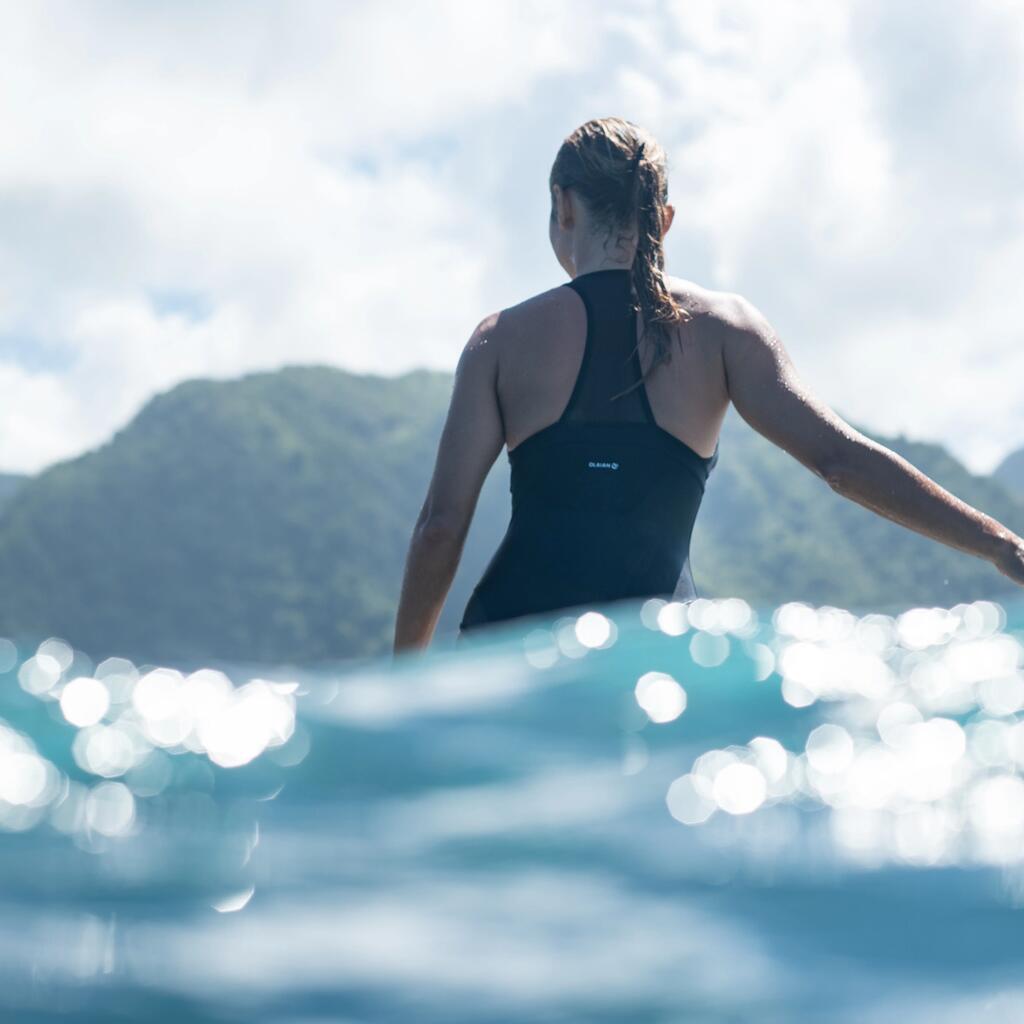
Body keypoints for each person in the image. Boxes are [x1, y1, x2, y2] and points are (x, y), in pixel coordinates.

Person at [393, 117, 1024, 654]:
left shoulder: (499, 341)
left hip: (511, 653)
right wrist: (999, 544)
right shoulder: (726, 331)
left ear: (563, 206)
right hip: (652, 660)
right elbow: (841, 461)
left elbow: (441, 527)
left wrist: (403, 683)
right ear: (663, 220)